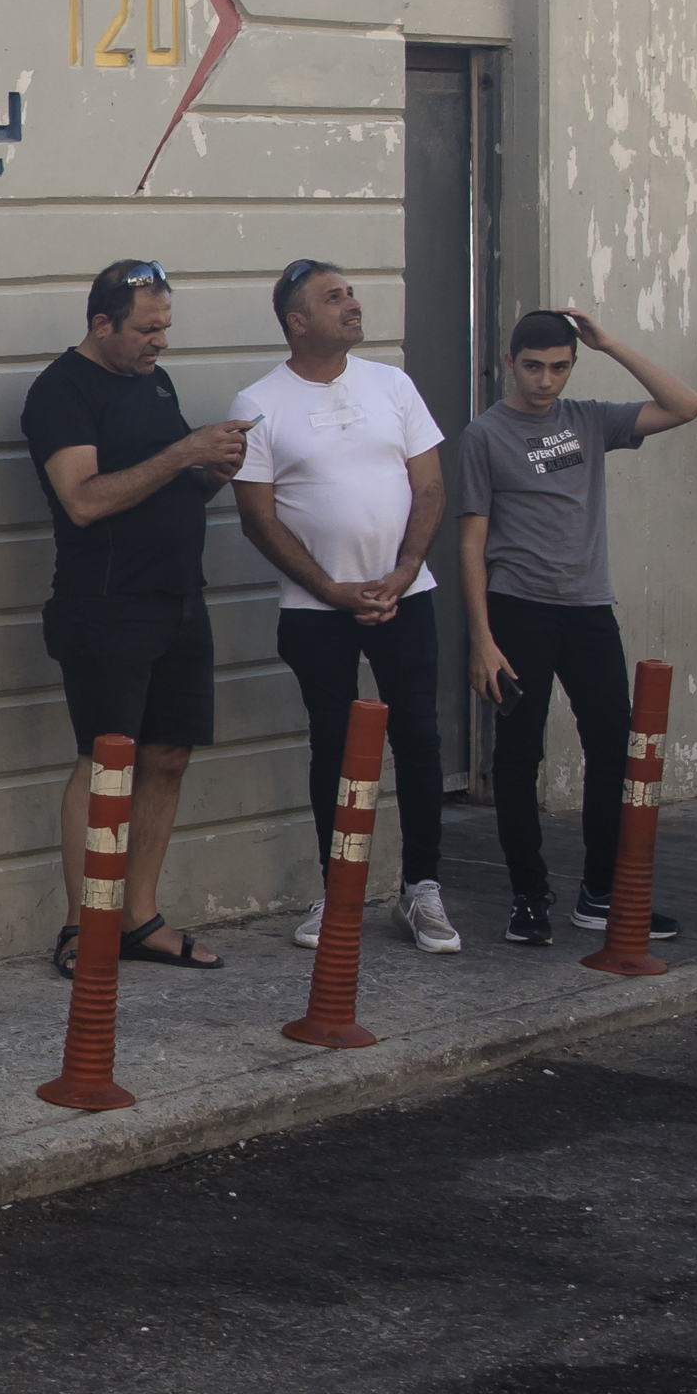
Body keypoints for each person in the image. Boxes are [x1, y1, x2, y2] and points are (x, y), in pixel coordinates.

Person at [23, 259, 252, 971]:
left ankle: (136, 918)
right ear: (100, 323)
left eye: (166, 328)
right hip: (106, 606)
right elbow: (84, 500)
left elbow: (165, 489)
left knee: (167, 757)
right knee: (105, 762)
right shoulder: (61, 392)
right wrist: (184, 450)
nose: (160, 343)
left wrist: (208, 476)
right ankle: (79, 926)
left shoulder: (154, 382)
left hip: (177, 597)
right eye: (147, 330)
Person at [451, 306, 697, 947]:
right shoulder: (484, 435)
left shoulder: (589, 420)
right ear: (510, 363)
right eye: (533, 367)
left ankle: (601, 893)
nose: (545, 381)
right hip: (518, 609)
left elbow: (686, 405)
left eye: (559, 367)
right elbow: (471, 542)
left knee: (613, 748)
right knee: (519, 757)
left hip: (589, 608)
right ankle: (528, 897)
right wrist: (482, 639)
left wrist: (611, 343)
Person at [231, 260, 458, 954]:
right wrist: (329, 589)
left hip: (404, 597)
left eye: (350, 293)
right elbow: (257, 517)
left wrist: (404, 570)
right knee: (332, 745)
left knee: (417, 737)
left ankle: (421, 890)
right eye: (334, 298)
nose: (352, 305)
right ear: (296, 322)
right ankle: (339, 893)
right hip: (313, 608)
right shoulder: (258, 403)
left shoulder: (392, 385)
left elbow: (429, 486)